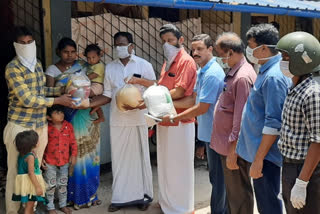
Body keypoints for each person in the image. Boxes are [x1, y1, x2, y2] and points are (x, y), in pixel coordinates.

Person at [4, 26, 73, 214]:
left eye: (29, 42)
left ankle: (30, 208)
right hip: (20, 126)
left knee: (34, 171)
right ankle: (12, 210)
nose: (27, 46)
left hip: (40, 126)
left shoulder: (37, 64)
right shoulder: (12, 68)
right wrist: (57, 100)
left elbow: (40, 92)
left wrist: (61, 91)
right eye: (22, 43)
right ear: (16, 45)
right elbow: (27, 99)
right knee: (16, 172)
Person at [89, 32, 156, 212]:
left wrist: (140, 96)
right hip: (118, 120)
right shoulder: (111, 68)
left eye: (123, 44)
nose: (120, 47)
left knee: (141, 158)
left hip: (139, 118)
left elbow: (154, 85)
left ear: (131, 45)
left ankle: (144, 196)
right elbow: (108, 94)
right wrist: (89, 104)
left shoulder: (144, 65)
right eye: (116, 44)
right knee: (119, 160)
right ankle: (119, 199)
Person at [162, 33, 226, 213]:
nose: (195, 53)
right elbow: (193, 100)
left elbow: (201, 108)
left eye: (200, 49)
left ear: (210, 49)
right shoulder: (201, 71)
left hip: (217, 133)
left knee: (219, 180)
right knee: (215, 177)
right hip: (208, 132)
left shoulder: (212, 73)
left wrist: (174, 117)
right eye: (193, 49)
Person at [235, 23, 291, 214]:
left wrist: (259, 160)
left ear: (264, 48)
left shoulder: (273, 77)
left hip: (266, 156)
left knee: (269, 204)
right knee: (266, 201)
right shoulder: (265, 70)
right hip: (260, 152)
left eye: (251, 46)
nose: (249, 51)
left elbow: (273, 124)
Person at [45, 37, 102, 209]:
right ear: (58, 52)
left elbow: (97, 86)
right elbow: (51, 94)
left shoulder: (85, 66)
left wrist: (89, 98)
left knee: (91, 157)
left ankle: (91, 194)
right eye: (65, 52)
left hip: (86, 115)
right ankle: (72, 198)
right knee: (73, 157)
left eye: (72, 52)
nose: (70, 56)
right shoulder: (52, 70)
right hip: (67, 117)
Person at [211, 32, 257, 214]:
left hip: (234, 149)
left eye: (221, 55)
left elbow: (241, 119)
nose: (220, 59)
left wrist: (233, 151)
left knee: (239, 195)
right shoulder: (234, 73)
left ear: (230, 52)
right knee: (233, 194)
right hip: (227, 146)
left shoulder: (242, 78)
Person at [276, 32, 320, 214]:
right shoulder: (293, 87)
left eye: (286, 57)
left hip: (305, 170)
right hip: (290, 166)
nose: (282, 61)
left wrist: (301, 182)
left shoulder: (312, 94)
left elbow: (318, 141)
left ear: (302, 60)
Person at [156, 24, 197, 214]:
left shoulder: (186, 61)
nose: (167, 44)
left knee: (179, 167)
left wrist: (153, 96)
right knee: (165, 165)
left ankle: (182, 208)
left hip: (180, 121)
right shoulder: (168, 62)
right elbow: (162, 87)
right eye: (164, 41)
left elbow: (180, 91)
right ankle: (168, 203)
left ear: (180, 40)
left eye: (170, 40)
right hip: (164, 120)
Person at [42, 105, 78, 214]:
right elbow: (42, 144)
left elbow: (73, 143)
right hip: (50, 162)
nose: (61, 114)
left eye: (61, 112)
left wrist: (74, 155)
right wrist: (42, 158)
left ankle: (62, 205)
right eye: (57, 113)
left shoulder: (68, 126)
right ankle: (50, 207)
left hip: (64, 162)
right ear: (49, 117)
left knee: (63, 185)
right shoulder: (46, 128)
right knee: (50, 185)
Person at [12, 130, 47, 214]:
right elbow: (31, 173)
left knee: (29, 204)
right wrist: (38, 186)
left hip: (25, 182)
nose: (39, 142)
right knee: (30, 205)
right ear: (33, 144)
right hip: (31, 183)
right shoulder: (30, 156)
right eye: (37, 141)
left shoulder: (22, 154)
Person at [84, 43, 105, 123]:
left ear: (99, 56)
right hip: (92, 85)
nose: (91, 60)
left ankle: (94, 108)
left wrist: (82, 79)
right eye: (88, 58)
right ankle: (100, 116)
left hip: (97, 85)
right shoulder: (89, 65)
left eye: (93, 57)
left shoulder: (99, 66)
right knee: (94, 101)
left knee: (86, 94)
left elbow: (93, 75)